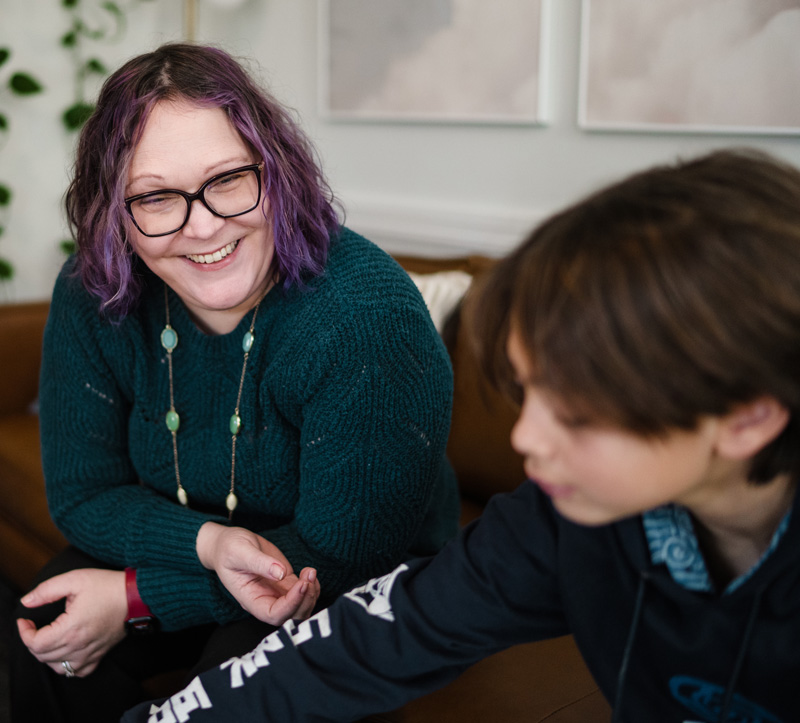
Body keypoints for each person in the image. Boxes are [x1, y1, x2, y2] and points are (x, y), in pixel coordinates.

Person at [122, 148, 800, 723]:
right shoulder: (566, 518)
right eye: (527, 393)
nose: (526, 438)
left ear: (748, 416)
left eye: (578, 413)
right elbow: (371, 638)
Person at [10, 42, 459, 723]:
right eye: (155, 197)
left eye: (227, 179)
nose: (203, 226)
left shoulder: (366, 315)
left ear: (276, 170)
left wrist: (136, 597)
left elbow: (339, 555)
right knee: (47, 634)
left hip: (348, 577)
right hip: (198, 542)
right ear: (115, 214)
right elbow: (83, 493)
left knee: (230, 689)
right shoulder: (91, 290)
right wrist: (209, 545)